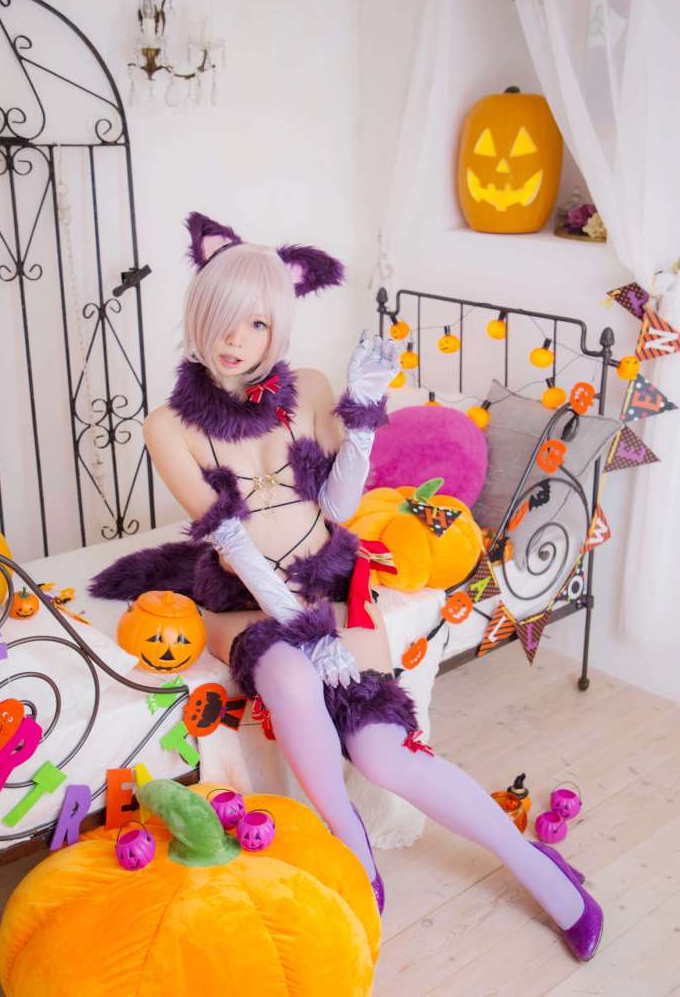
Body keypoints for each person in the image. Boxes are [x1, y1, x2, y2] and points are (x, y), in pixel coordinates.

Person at [91, 212, 603, 961]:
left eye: (258, 322)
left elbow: (336, 504)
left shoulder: (310, 387)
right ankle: (351, 844)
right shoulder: (168, 425)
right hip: (245, 595)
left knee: (385, 754)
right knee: (292, 676)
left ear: (279, 324)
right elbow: (232, 541)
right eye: (225, 316)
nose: (236, 338)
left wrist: (360, 420)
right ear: (199, 310)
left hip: (333, 579)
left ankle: (535, 864)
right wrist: (306, 631)